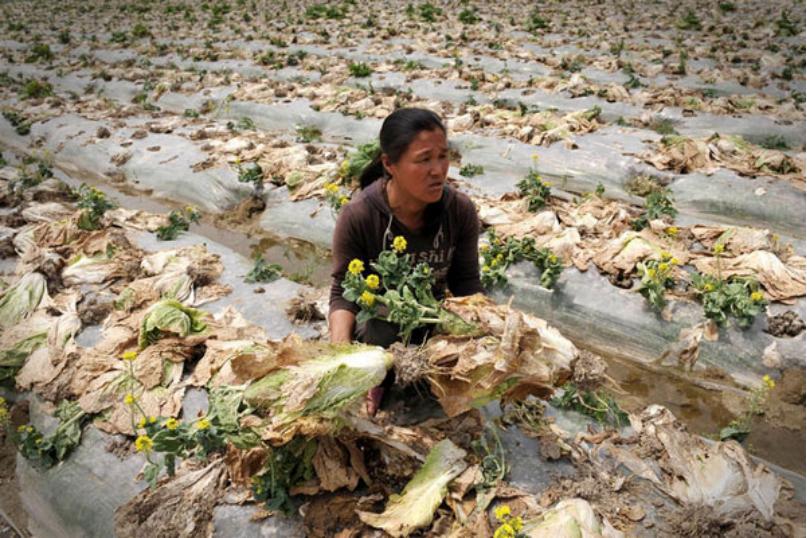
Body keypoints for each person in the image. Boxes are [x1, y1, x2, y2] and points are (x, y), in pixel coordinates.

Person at [328, 107, 484, 413]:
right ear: (390, 164)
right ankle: (378, 380)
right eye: (424, 159)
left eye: (443, 156)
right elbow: (342, 295)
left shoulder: (459, 210)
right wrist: (343, 361)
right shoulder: (359, 216)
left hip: (429, 321)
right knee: (381, 327)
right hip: (377, 333)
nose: (438, 170)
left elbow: (466, 286)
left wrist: (482, 338)